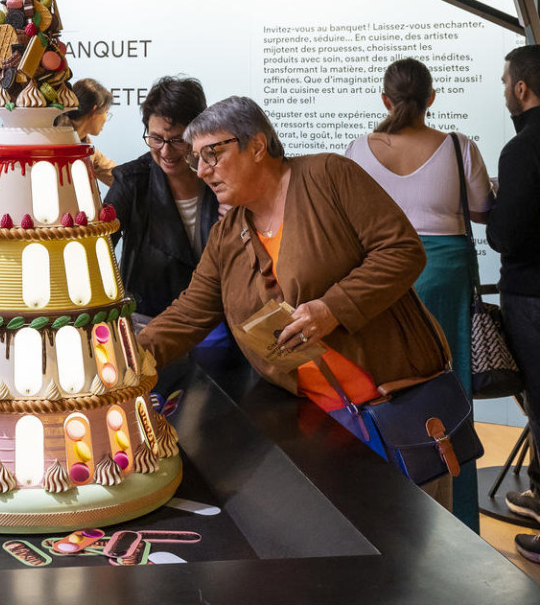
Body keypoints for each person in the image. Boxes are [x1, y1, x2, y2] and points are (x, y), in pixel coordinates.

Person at [137, 96, 452, 501]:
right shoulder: (227, 235)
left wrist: (331, 309)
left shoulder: (328, 175)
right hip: (320, 423)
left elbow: (402, 251)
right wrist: (126, 359)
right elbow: (190, 311)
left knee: (422, 547)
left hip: (397, 405)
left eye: (212, 154)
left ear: (256, 144)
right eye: (197, 159)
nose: (201, 171)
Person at [345, 57, 492, 532]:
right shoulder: (458, 147)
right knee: (451, 393)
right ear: (432, 98)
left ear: (385, 99)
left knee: (379, 390)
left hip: (376, 273)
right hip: (442, 274)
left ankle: (385, 512)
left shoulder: (357, 150)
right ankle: (457, 522)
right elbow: (481, 211)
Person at [104, 76, 220, 320]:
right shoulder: (131, 181)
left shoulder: (219, 177)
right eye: (156, 139)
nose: (166, 151)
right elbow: (98, 249)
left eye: (178, 140)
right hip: (150, 320)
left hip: (214, 322)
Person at [487, 44, 540, 563]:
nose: (504, 90)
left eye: (505, 82)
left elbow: (507, 236)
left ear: (521, 88)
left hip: (533, 295)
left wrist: (502, 203)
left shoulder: (521, 150)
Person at [54, 78, 116, 186]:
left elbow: (116, 176)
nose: (106, 119)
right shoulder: (51, 139)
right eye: (106, 112)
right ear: (94, 111)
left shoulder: (87, 147)